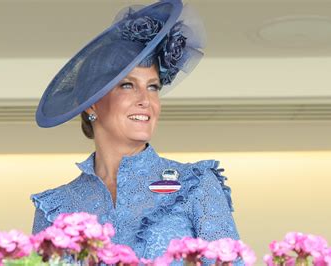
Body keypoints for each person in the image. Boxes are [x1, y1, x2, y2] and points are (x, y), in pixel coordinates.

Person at [31, 0, 240, 262]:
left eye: (152, 87)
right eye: (128, 85)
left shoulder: (195, 185)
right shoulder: (55, 207)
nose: (146, 100)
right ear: (92, 103)